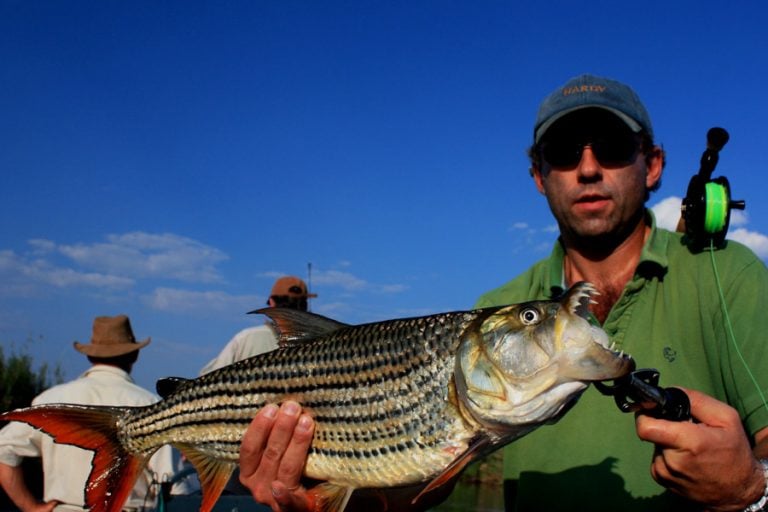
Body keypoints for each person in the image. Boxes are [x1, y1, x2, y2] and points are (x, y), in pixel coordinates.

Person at [234, 74, 768, 511]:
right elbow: (428, 475)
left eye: (609, 148)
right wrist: (338, 488)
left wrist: (752, 486)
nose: (586, 167)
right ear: (538, 175)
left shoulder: (730, 275)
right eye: (562, 151)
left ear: (651, 165)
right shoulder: (500, 298)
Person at [0, 315, 178, 512]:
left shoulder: (50, 401)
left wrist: (30, 507)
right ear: (134, 355)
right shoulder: (148, 405)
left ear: (89, 356)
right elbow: (170, 478)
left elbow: (3, 450)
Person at [200, 275, 317, 375]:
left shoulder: (245, 339)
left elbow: (206, 377)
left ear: (271, 302)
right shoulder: (318, 343)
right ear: (305, 305)